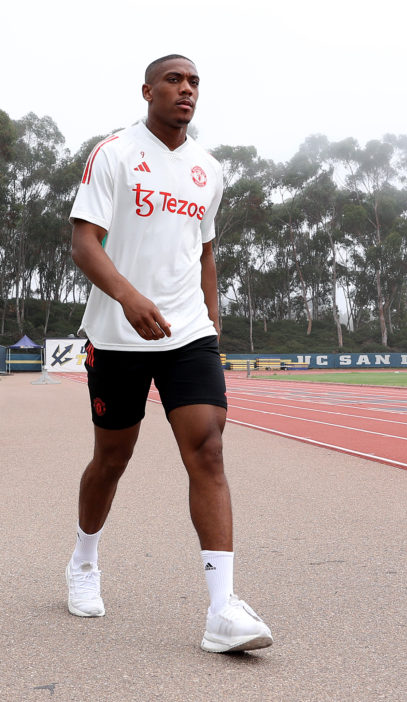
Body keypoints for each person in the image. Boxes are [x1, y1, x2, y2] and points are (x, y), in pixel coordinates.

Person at [65, 54, 272, 653]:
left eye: (194, 83)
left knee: (207, 448)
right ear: (148, 90)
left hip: (188, 333)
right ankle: (83, 560)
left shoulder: (209, 168)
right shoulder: (114, 154)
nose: (186, 90)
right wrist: (128, 298)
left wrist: (212, 323)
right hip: (118, 331)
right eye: (175, 81)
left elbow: (204, 253)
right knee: (112, 459)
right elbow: (84, 240)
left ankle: (222, 610)